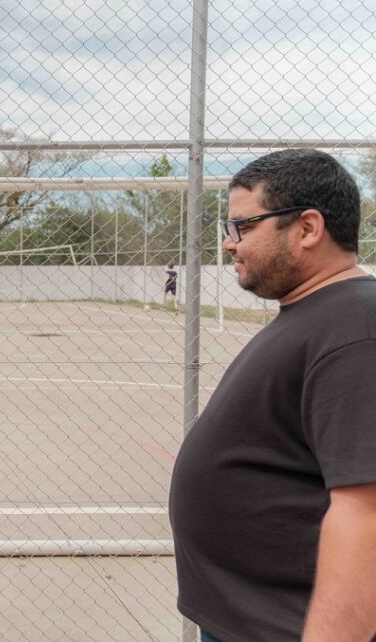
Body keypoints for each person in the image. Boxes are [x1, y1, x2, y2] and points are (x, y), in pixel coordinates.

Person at [169, 149, 376, 642]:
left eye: (243, 226)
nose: (226, 243)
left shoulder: (357, 328)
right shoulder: (318, 312)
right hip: (247, 619)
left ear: (307, 228)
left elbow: (366, 515)